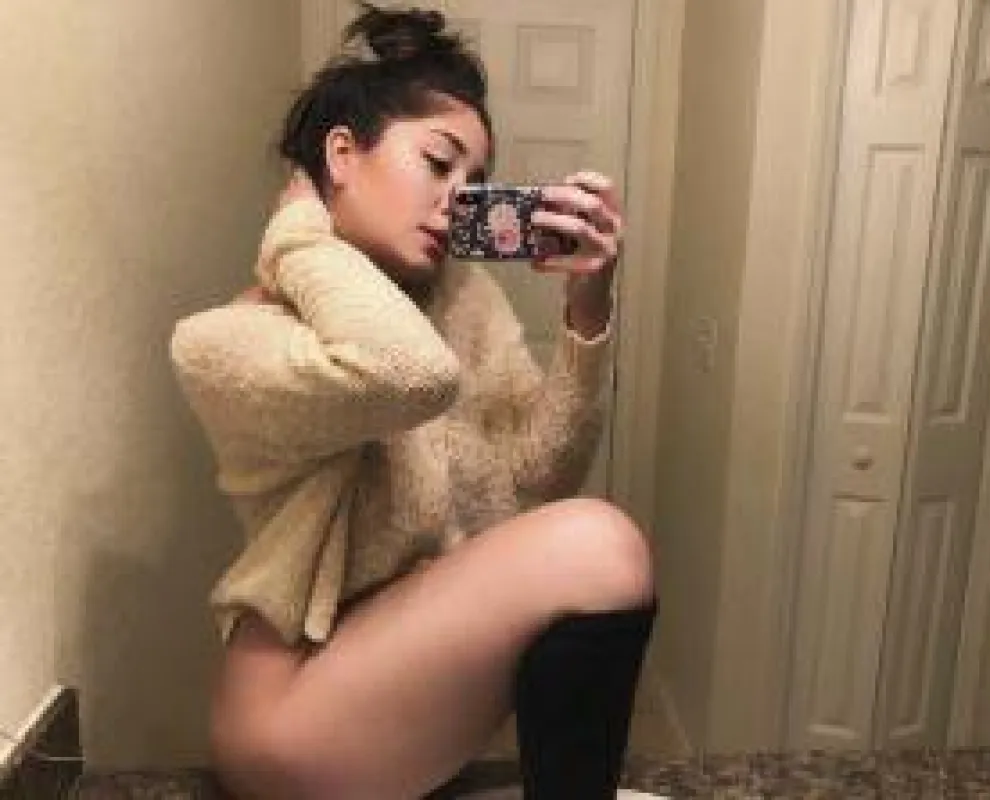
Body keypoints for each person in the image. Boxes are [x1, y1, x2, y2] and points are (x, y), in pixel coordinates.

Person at [170, 5, 661, 799]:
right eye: (438, 163)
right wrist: (298, 233)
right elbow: (406, 375)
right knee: (601, 543)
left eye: (475, 183)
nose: (456, 200)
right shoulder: (228, 343)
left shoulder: (463, 300)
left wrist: (588, 306)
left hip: (394, 696)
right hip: (288, 716)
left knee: (595, 543)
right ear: (341, 155)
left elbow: (539, 473)